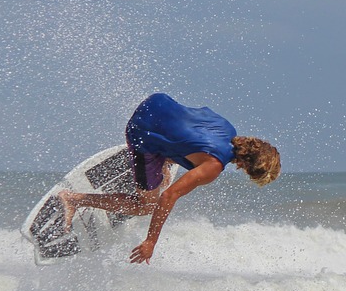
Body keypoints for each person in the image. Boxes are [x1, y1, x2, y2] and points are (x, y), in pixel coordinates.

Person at [60, 93, 280, 264]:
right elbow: (169, 196)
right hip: (140, 131)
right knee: (146, 205)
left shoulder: (227, 128)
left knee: (188, 149)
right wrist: (151, 241)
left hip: (155, 102)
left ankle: (162, 160)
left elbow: (190, 127)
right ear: (246, 167)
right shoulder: (213, 166)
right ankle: (75, 199)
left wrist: (168, 159)